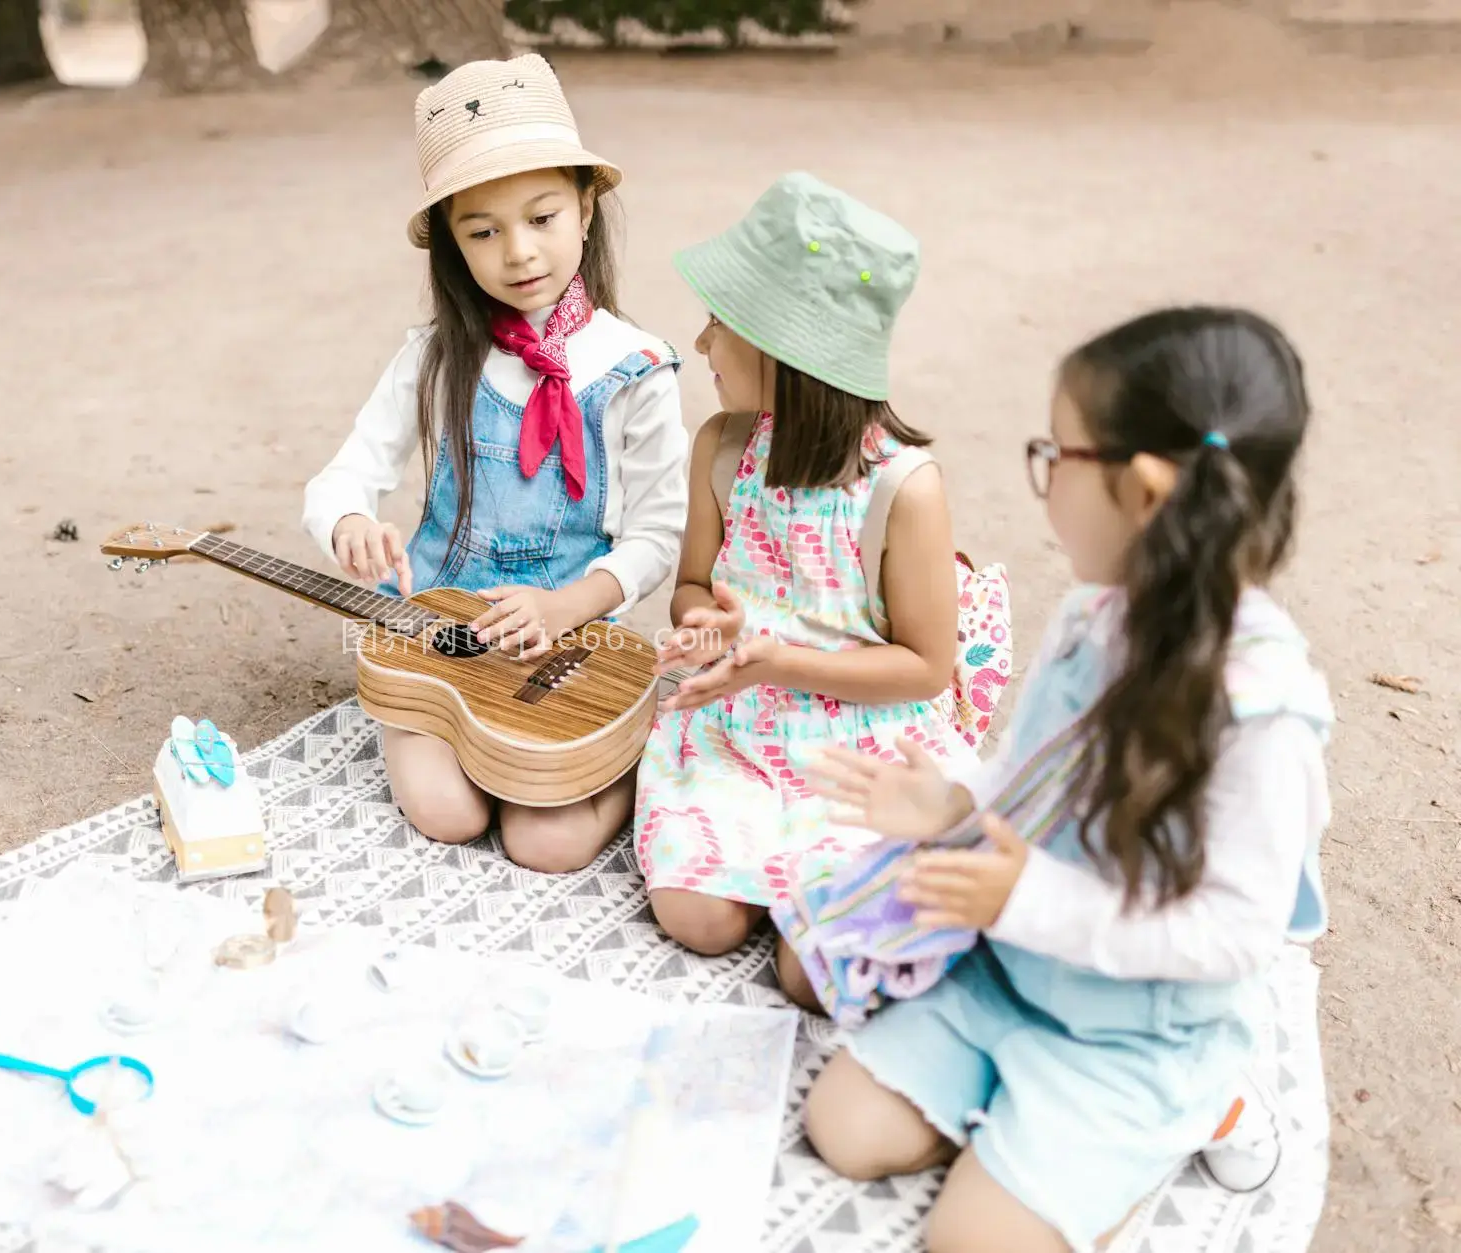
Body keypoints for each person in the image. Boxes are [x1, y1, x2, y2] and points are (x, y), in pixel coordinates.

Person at [789, 306, 1333, 1252]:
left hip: (1136, 1031)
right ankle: (1026, 1128)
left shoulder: (1260, 711)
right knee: (842, 1128)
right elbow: (1029, 777)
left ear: (1149, 494)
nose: (1039, 481)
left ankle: (1205, 1104)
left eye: (1057, 455)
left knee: (973, 1240)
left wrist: (1024, 895)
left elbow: (1236, 932)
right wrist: (952, 805)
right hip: (1014, 967)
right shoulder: (1091, 615)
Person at [301, 53, 688, 874]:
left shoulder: (637, 366)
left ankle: (638, 739)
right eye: (482, 231)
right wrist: (351, 523)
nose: (518, 252)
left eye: (542, 216)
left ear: (586, 205)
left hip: (569, 638)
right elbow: (341, 478)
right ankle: (439, 722)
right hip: (437, 638)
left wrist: (568, 605)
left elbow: (661, 531)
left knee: (548, 842)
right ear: (451, 243)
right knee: (448, 812)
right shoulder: (436, 358)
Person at [635, 172, 1005, 956]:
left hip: (862, 749)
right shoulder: (723, 446)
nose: (700, 342)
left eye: (718, 323)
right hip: (733, 727)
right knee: (701, 921)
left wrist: (785, 660)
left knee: (820, 959)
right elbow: (694, 586)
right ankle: (771, 873)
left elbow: (925, 666)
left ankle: (815, 891)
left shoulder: (904, 489)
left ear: (786, 350)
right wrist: (707, 626)